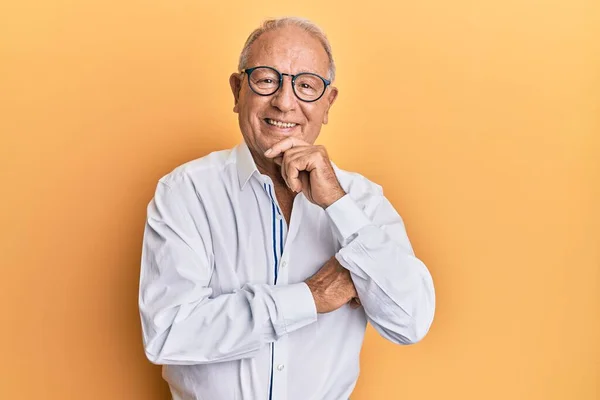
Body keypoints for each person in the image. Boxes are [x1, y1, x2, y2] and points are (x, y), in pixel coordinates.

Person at [138, 17, 435, 400]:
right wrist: (311, 296)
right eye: (266, 80)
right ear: (237, 90)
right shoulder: (186, 192)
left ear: (328, 104)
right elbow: (167, 334)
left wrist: (339, 206)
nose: (284, 101)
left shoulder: (362, 202)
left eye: (306, 86)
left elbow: (410, 322)